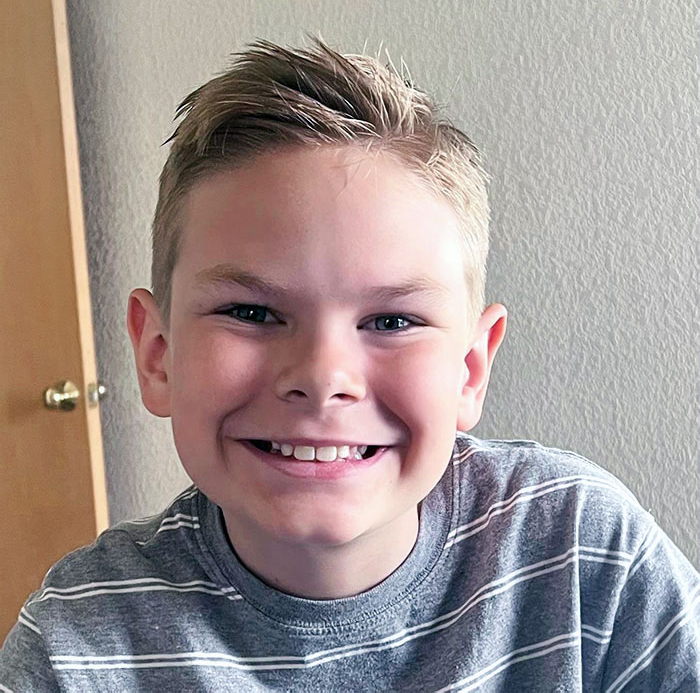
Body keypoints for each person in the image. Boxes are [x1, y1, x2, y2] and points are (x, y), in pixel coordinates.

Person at [2, 40, 698, 691]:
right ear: (158, 355)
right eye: (250, 312)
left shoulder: (581, 548)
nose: (323, 375)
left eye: (392, 321)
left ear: (471, 369)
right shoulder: (78, 644)